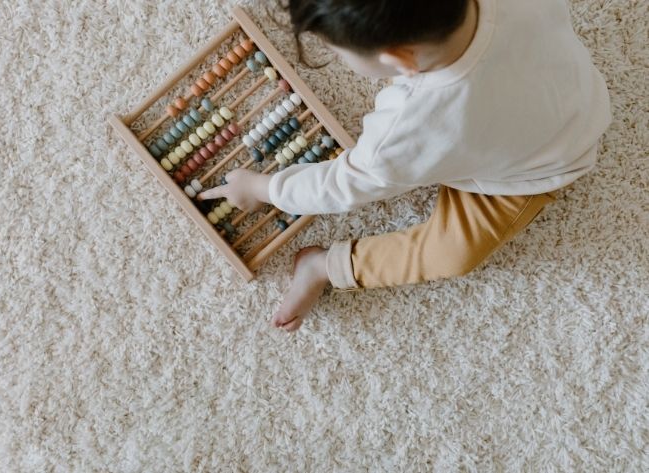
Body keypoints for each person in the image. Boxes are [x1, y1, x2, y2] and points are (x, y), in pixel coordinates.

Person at [199, 0, 612, 331]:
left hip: (537, 168)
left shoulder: (404, 129)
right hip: (575, 96)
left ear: (398, 57)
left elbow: (343, 184)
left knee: (453, 254)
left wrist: (261, 189)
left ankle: (324, 266)